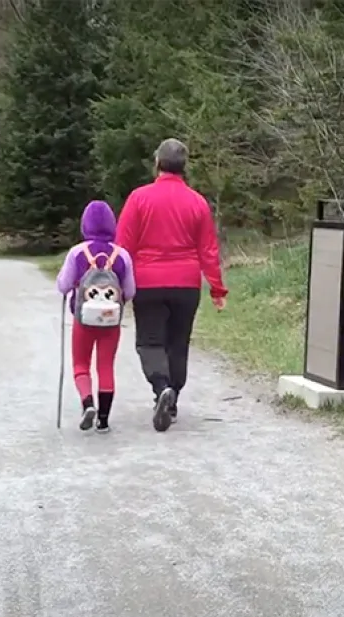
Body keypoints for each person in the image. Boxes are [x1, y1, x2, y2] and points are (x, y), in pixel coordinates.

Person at [115, 137, 228, 432]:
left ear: (157, 163)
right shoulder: (197, 202)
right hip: (186, 284)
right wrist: (217, 288)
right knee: (178, 344)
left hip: (148, 281)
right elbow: (208, 250)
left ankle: (161, 386)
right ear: (184, 166)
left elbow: (123, 246)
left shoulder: (139, 198)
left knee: (150, 342)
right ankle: (173, 397)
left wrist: (116, 283)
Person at [55, 201, 136, 433]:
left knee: (81, 364)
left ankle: (87, 402)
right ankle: (103, 420)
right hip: (111, 321)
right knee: (106, 366)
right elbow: (130, 291)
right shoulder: (122, 255)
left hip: (83, 319)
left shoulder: (78, 252)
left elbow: (63, 285)